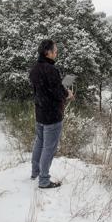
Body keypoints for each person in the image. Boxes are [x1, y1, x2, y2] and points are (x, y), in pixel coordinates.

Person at [29, 39, 74, 189]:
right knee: (49, 147)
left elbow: (42, 90)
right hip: (53, 115)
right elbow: (56, 92)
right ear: (47, 52)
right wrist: (67, 93)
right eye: (55, 50)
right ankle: (44, 180)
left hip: (40, 112)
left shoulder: (34, 69)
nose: (57, 52)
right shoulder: (51, 70)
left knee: (39, 143)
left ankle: (35, 172)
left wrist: (59, 89)